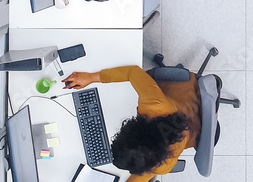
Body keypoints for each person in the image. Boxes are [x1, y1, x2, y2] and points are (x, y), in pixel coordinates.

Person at [63, 66, 199, 182]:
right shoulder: (154, 105)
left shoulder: (164, 163)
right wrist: (91, 77)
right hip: (185, 104)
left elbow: (145, 172)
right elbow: (133, 72)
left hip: (188, 110)